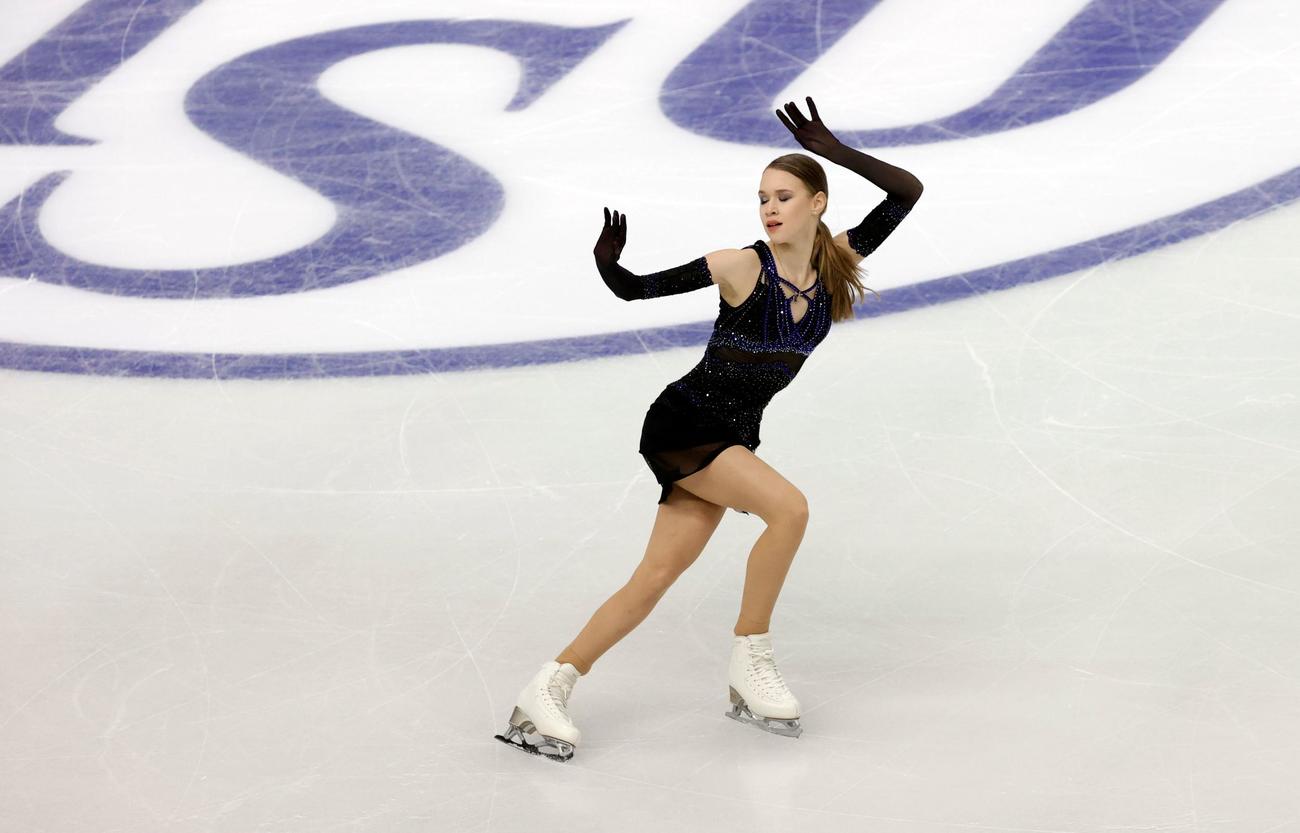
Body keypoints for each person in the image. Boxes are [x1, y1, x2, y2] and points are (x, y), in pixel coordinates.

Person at [494, 97, 923, 761]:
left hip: (732, 433)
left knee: (654, 576)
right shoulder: (738, 265)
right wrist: (610, 262)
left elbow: (907, 191)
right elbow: (634, 290)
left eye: (784, 196)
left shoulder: (836, 261)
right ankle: (751, 657)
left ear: (818, 201)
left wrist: (833, 149)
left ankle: (546, 687)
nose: (770, 208)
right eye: (762, 198)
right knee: (789, 509)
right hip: (687, 422)